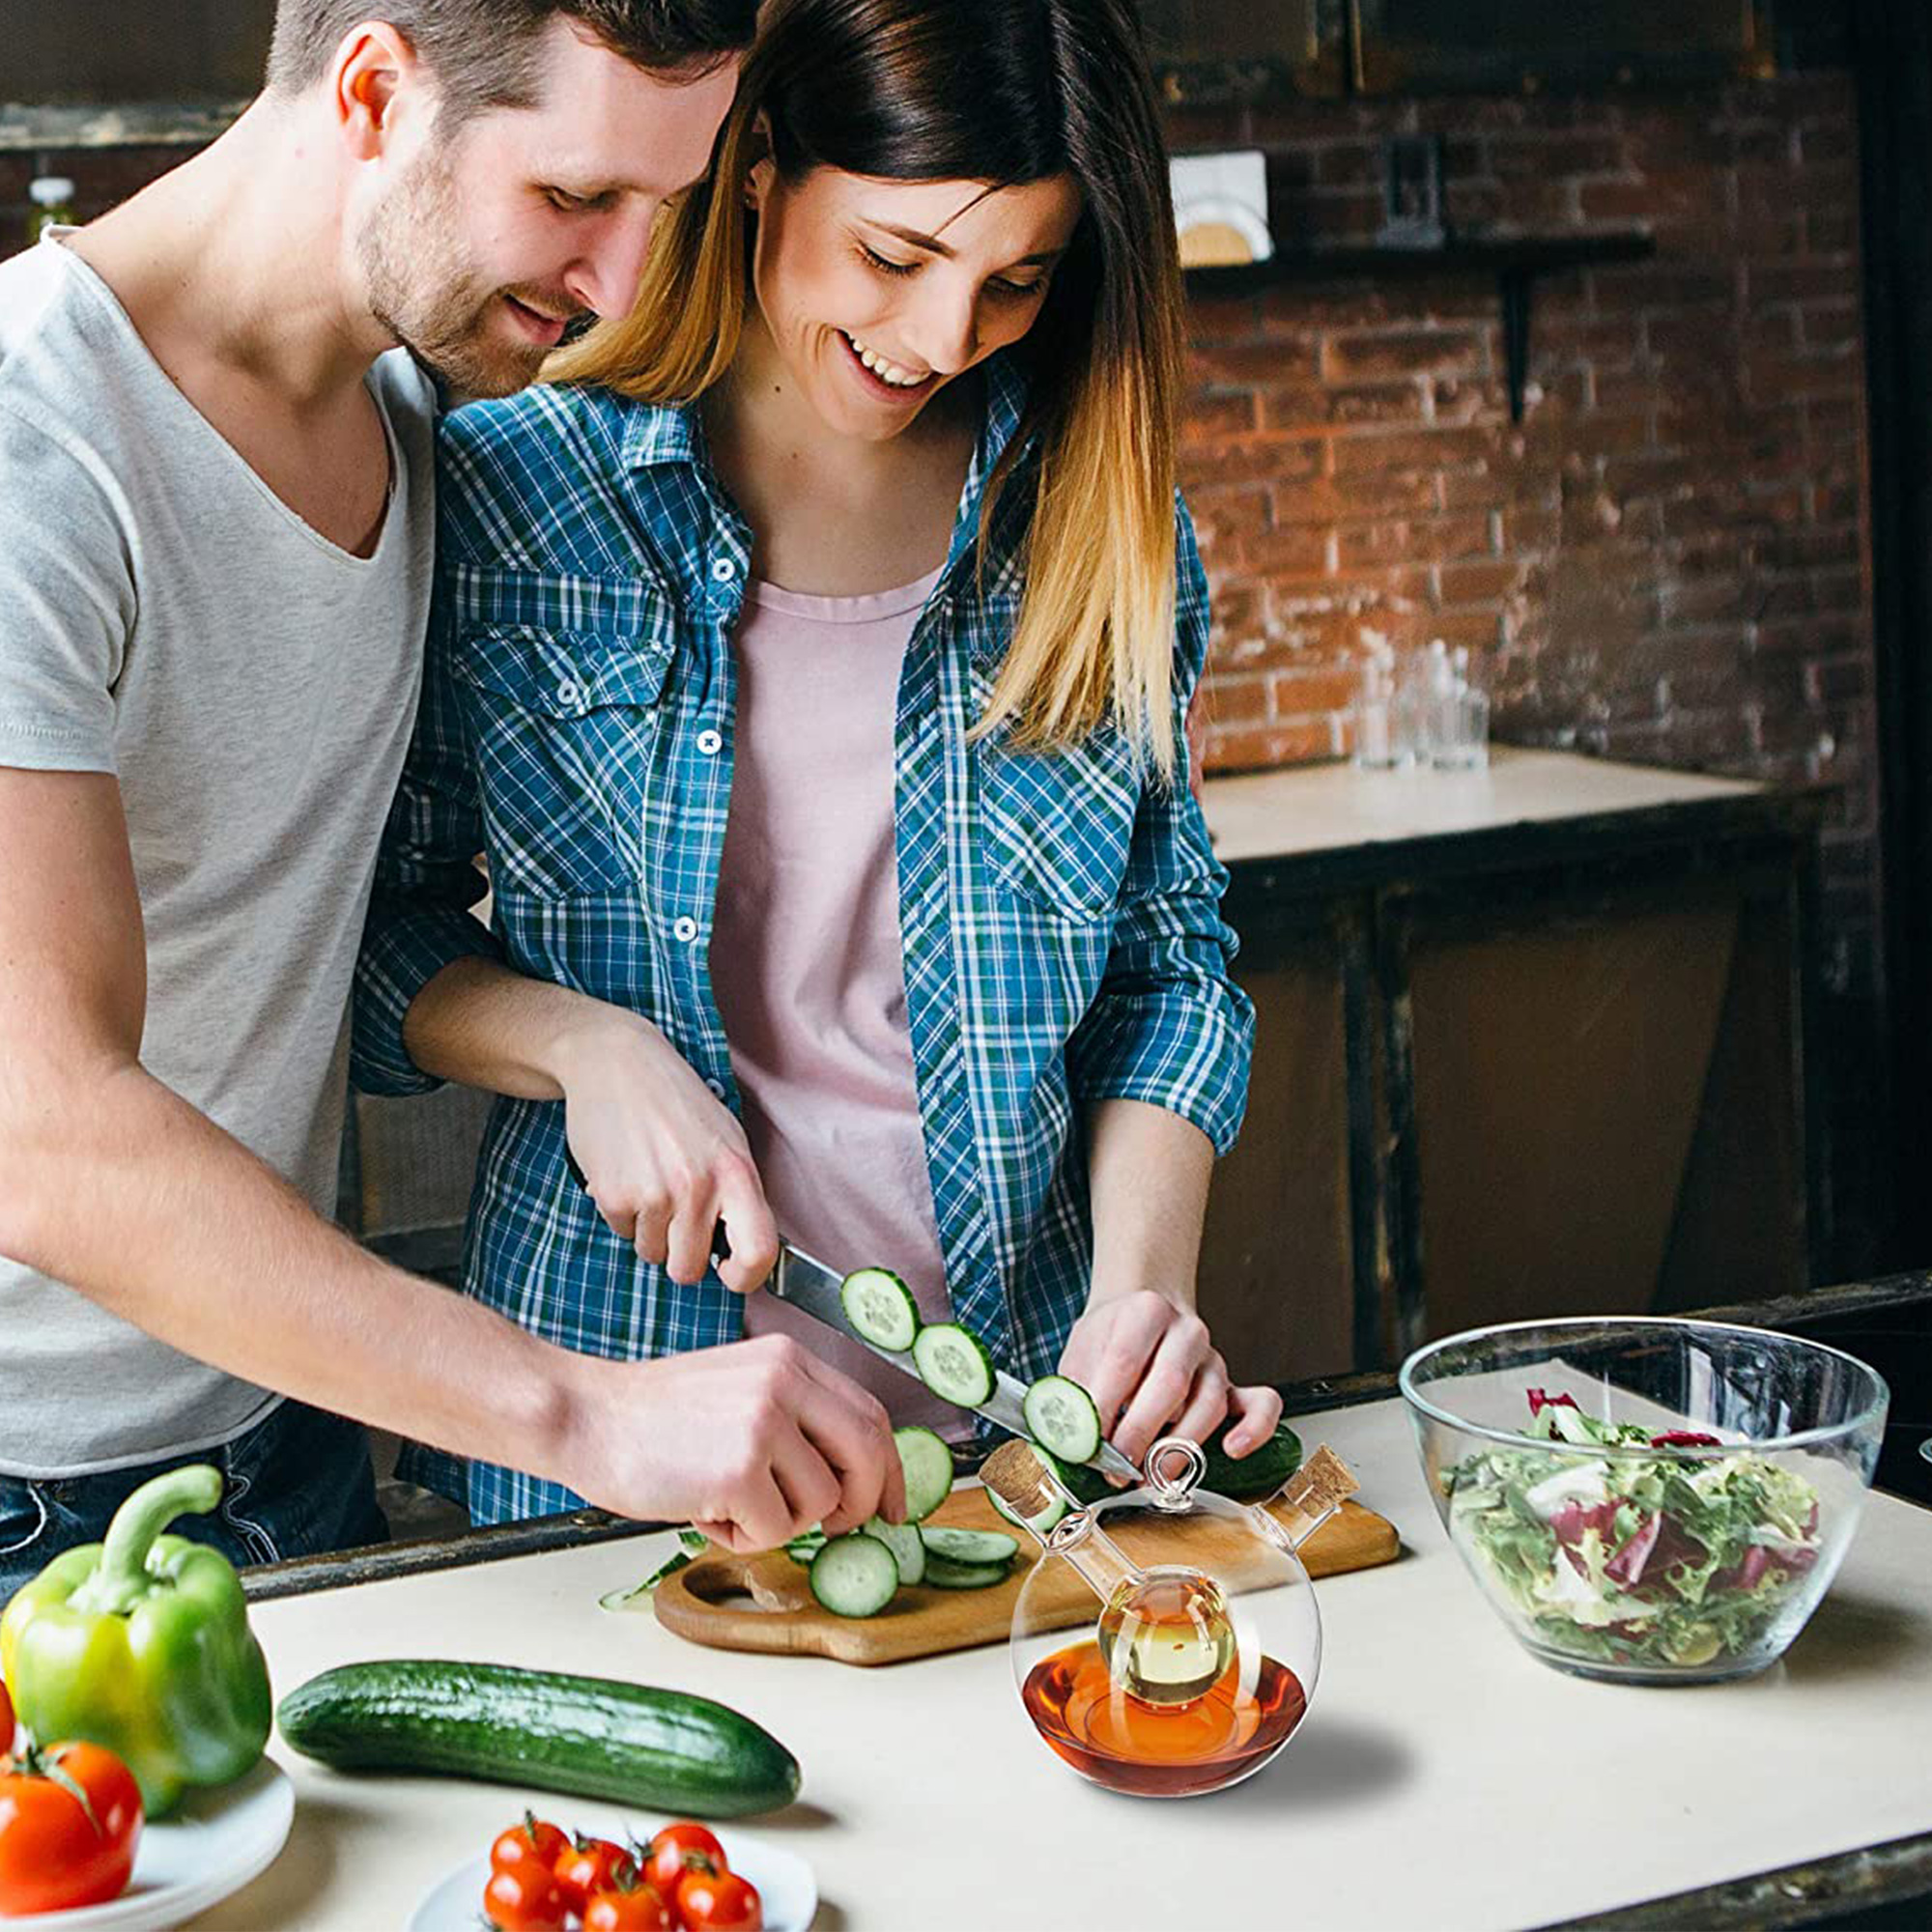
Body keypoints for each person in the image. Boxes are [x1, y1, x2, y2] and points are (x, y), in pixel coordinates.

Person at [0, 0, 908, 1602]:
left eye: (667, 209)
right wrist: (585, 1414)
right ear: (372, 88)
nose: (621, 284)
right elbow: (42, 1127)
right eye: (575, 200)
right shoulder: (36, 449)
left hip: (290, 1429)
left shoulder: (417, 423)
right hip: (23, 1499)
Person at [355, 0, 1281, 1529]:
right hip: (624, 1421)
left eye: (1014, 285)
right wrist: (583, 1047)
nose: (939, 340)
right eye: (895, 260)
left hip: (1018, 1451)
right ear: (763, 164)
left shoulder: (1097, 533)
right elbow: (370, 943)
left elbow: (1167, 972)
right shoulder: (519, 493)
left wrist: (1140, 1299)